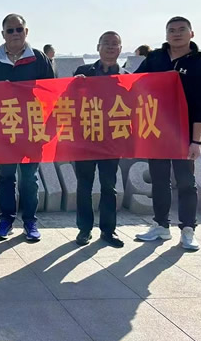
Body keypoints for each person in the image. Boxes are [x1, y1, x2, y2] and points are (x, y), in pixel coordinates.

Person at [135, 16, 201, 251]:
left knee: (186, 182)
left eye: (182, 29)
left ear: (191, 34)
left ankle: (188, 230)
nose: (176, 34)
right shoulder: (155, 58)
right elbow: (132, 82)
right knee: (159, 180)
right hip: (156, 129)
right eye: (171, 30)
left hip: (185, 132)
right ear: (166, 34)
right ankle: (161, 226)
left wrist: (195, 141)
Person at [0, 13, 54, 242]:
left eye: (19, 29)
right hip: (5, 130)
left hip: (31, 130)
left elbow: (51, 93)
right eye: (10, 30)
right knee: (7, 177)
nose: (15, 34)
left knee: (29, 178)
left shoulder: (38, 58)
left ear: (26, 32)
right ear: (3, 34)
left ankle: (30, 221)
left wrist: (47, 128)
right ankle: (6, 221)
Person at [73, 31, 126, 248]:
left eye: (115, 44)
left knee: (109, 187)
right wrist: (75, 85)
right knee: (84, 186)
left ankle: (108, 230)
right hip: (86, 139)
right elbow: (68, 101)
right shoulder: (83, 72)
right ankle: (84, 229)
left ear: (120, 49)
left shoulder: (126, 77)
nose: (110, 47)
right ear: (98, 47)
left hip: (111, 141)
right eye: (106, 43)